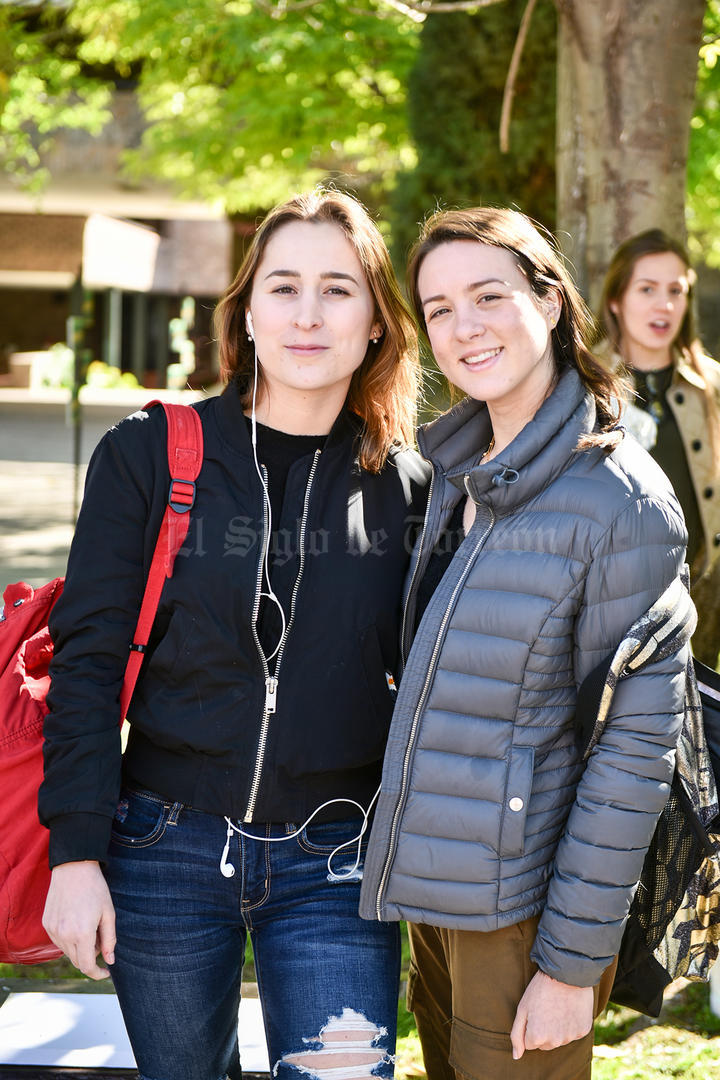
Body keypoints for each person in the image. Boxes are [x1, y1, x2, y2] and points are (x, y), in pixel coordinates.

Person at [39, 188, 429, 1080]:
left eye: (338, 290)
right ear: (247, 311)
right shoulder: (149, 452)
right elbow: (89, 661)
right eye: (283, 286)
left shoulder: (410, 487)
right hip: (160, 850)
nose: (306, 314)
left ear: (375, 322)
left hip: (337, 858)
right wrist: (75, 853)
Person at [358, 207, 690, 1080]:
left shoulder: (623, 499)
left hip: (522, 917)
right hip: (437, 901)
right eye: (437, 309)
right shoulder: (452, 472)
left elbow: (634, 753)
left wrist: (571, 967)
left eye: (487, 295)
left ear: (549, 302)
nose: (463, 327)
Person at [596, 229, 720, 668]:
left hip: (702, 596)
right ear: (616, 299)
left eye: (675, 291)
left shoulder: (712, 388)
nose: (663, 305)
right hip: (611, 600)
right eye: (646, 289)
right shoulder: (584, 386)